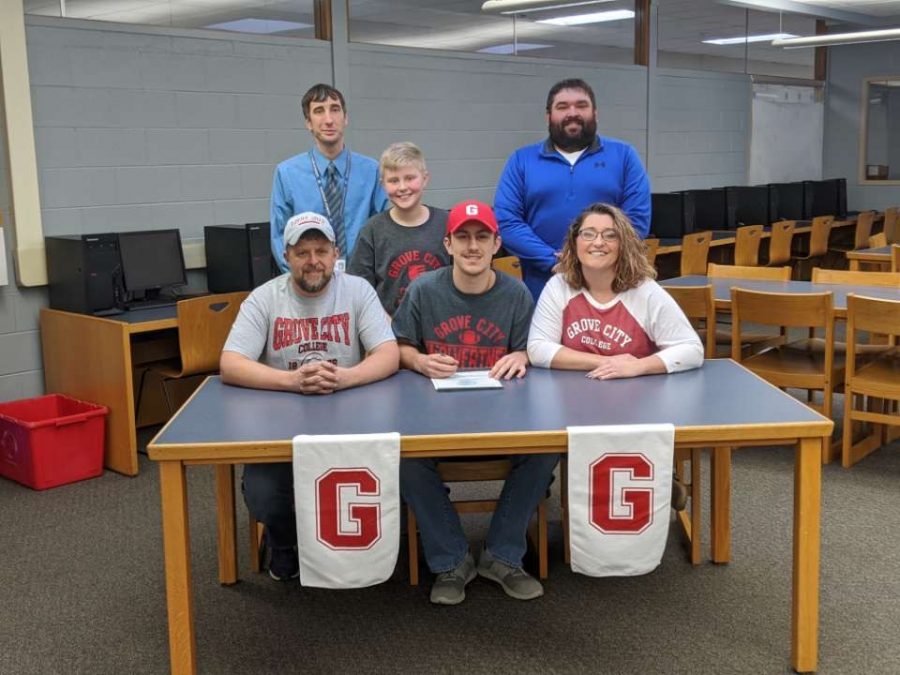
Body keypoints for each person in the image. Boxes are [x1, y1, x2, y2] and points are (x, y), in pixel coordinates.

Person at [392, 199, 557, 606]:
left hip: (501, 418)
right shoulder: (423, 289)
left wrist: (521, 355)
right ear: (446, 244)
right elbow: (397, 347)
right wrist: (418, 359)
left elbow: (529, 350)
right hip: (436, 418)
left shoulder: (516, 294)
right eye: (462, 237)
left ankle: (501, 556)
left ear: (497, 243)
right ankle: (451, 561)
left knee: (547, 448)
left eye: (482, 237)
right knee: (403, 458)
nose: (472, 246)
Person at [221, 211, 399, 581]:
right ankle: (284, 542)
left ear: (336, 253)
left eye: (321, 250)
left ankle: (361, 550)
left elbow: (388, 353)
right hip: (280, 424)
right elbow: (231, 363)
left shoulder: (358, 291)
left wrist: (344, 377)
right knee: (264, 494)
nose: (313, 261)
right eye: (303, 253)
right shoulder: (264, 298)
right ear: (286, 256)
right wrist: (293, 381)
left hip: (349, 419)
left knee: (397, 477)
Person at [494, 78, 651, 300]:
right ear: (548, 116)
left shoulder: (624, 156)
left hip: (610, 289)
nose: (572, 112)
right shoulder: (521, 161)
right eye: (562, 107)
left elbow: (636, 221)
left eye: (581, 105)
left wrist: (592, 260)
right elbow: (507, 222)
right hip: (543, 289)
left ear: (595, 113)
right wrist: (556, 261)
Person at [527, 202, 703, 379]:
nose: (598, 242)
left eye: (610, 236)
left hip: (636, 397)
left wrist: (639, 366)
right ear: (574, 242)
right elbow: (538, 348)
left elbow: (691, 349)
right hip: (573, 396)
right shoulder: (559, 285)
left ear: (623, 245)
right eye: (588, 234)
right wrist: (605, 362)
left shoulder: (645, 291)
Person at [270, 83, 389, 273]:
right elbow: (279, 237)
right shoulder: (287, 173)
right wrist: (303, 280)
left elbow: (385, 230)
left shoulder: (372, 170)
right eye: (318, 111)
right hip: (310, 280)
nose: (328, 120)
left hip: (363, 280)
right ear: (308, 122)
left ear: (345, 118)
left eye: (335, 110)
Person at [348, 142, 450, 315]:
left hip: (441, 329)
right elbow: (360, 292)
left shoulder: (447, 223)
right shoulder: (372, 230)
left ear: (425, 179)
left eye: (410, 178)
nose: (402, 187)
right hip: (389, 331)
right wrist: (387, 328)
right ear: (382, 184)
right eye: (394, 180)